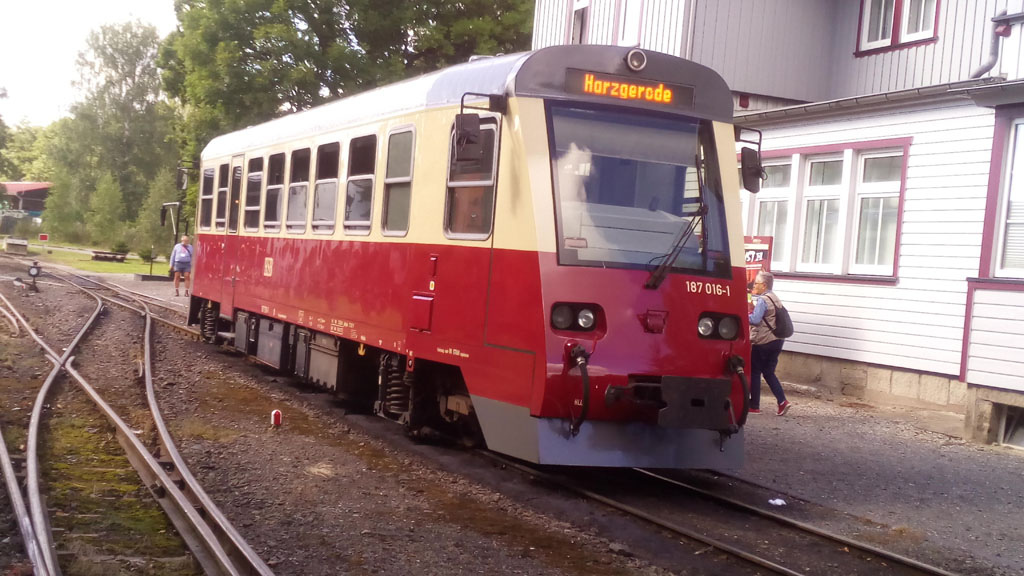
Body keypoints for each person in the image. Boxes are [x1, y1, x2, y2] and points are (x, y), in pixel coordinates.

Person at [748, 271, 792, 416]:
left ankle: (754, 405)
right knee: (768, 372)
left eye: (756, 283)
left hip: (764, 341)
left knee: (755, 371)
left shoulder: (763, 300)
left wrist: (743, 314)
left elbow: (755, 320)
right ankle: (782, 401)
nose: (754, 286)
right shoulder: (775, 298)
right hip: (777, 341)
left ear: (764, 285)